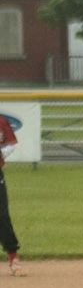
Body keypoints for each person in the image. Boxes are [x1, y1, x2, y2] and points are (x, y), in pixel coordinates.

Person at [0, 111, 22, 272]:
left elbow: (11, 143)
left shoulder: (1, 122)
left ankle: (13, 256)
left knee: (2, 215)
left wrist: (2, 153)